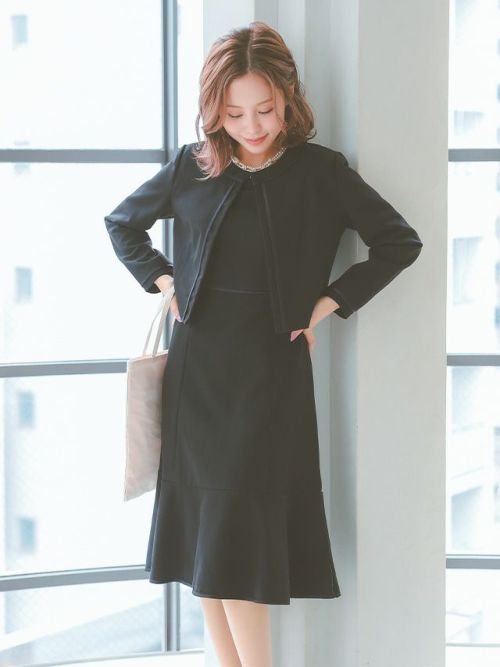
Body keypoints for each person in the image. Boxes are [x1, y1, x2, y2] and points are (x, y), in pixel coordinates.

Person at [104, 20, 423, 667]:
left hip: (269, 376)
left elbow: (399, 242)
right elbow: (123, 224)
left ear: (288, 98)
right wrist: (166, 281)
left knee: (238, 543)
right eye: (234, 112)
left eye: (265, 109)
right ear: (214, 108)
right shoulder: (192, 166)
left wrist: (326, 305)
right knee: (206, 541)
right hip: (197, 374)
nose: (251, 125)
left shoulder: (320, 172)